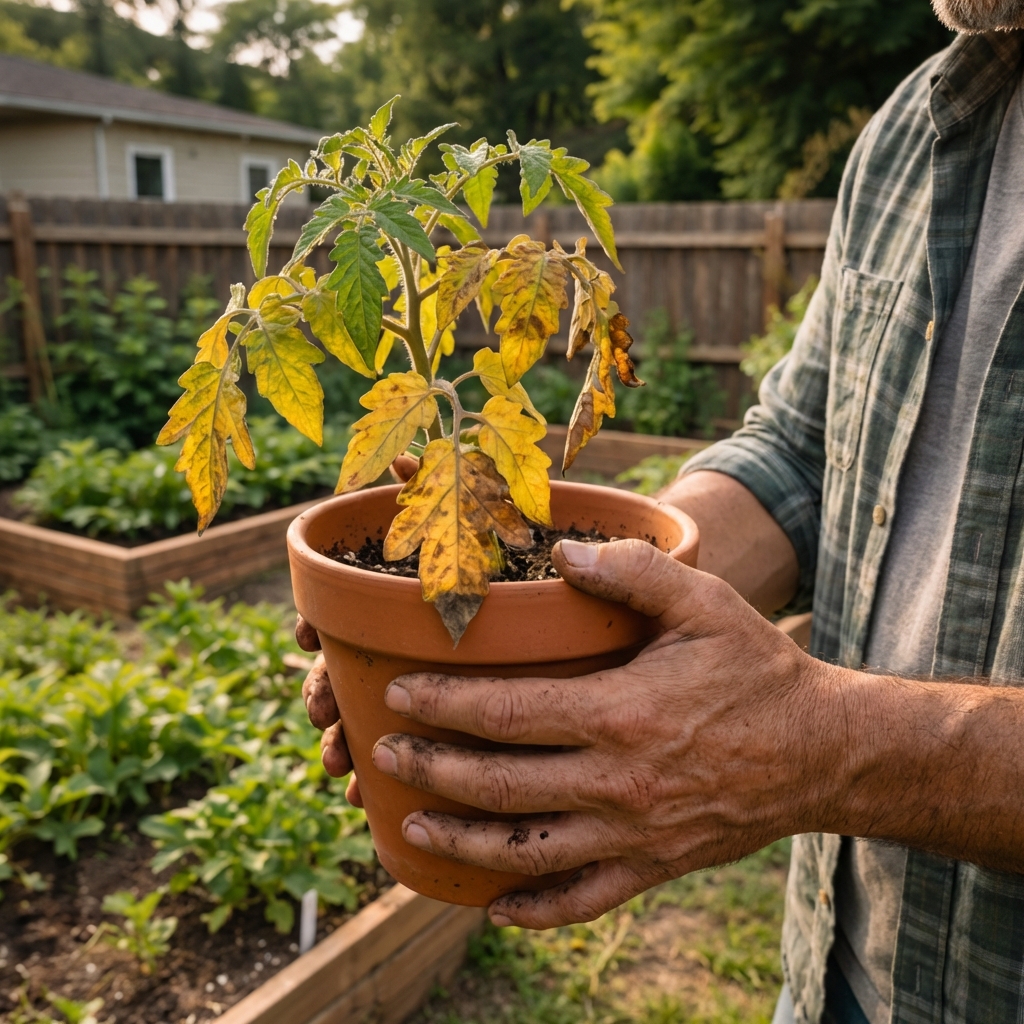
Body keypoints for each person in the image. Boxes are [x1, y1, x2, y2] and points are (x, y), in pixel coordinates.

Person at [297, 4, 1024, 1020]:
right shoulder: (925, 124)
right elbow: (803, 450)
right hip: (839, 978)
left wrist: (822, 747)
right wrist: (571, 595)